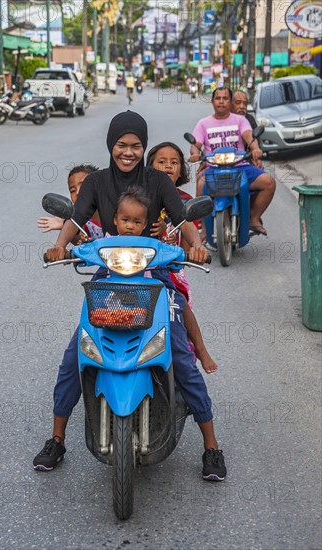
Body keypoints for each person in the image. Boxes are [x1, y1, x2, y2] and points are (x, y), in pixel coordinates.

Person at [34, 111, 226, 481]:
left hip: (154, 275)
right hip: (110, 277)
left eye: (136, 145)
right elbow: (75, 218)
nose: (128, 152)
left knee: (182, 356)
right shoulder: (97, 182)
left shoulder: (157, 180)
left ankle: (211, 445)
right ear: (111, 146)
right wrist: (59, 245)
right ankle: (57, 438)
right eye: (121, 145)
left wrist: (198, 246)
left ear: (143, 147)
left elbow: (183, 218)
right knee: (77, 353)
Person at [146, 141, 217, 374]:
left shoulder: (185, 201)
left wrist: (192, 249)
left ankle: (199, 350)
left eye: (174, 162)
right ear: (149, 167)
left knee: (180, 306)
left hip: (170, 268)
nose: (168, 166)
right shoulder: (139, 197)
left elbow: (187, 243)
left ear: (181, 170)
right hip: (136, 265)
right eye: (162, 162)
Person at [190, 87, 275, 236]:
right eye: (218, 98)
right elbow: (195, 145)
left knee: (268, 182)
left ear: (230, 102)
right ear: (212, 102)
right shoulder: (203, 123)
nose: (221, 102)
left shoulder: (240, 120)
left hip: (240, 167)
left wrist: (255, 149)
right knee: (201, 185)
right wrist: (195, 153)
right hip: (213, 169)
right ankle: (204, 228)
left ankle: (253, 219)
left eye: (225, 98)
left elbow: (249, 137)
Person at [37, 164, 101, 237]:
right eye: (73, 190)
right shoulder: (78, 224)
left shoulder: (113, 210)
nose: (77, 192)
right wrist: (64, 226)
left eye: (83, 185)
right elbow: (78, 244)